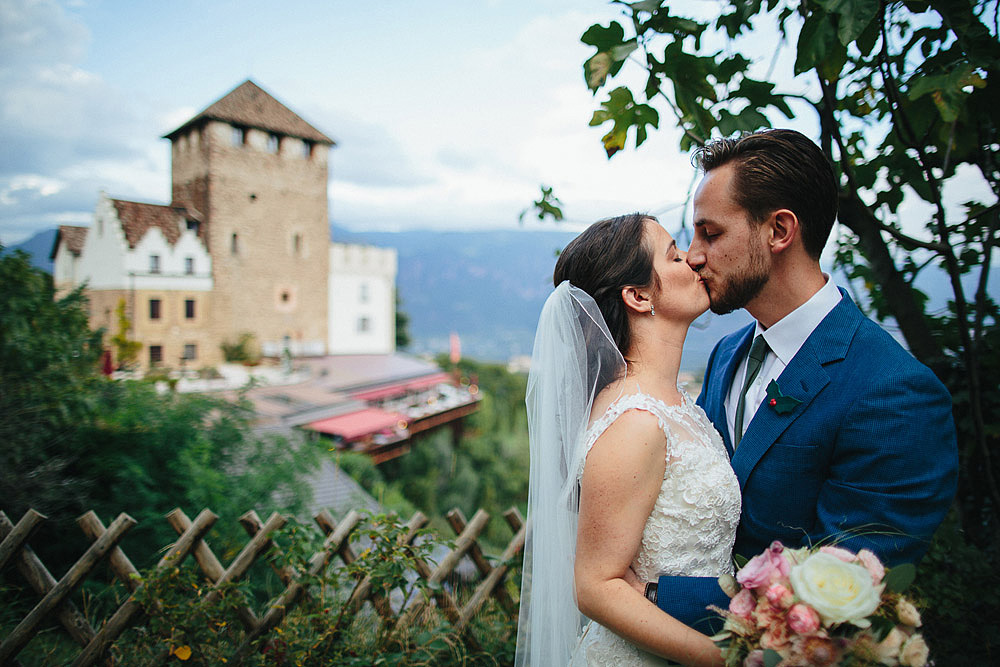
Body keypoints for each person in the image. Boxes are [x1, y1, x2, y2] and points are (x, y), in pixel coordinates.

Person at [642, 129, 959, 632]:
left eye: (711, 233)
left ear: (779, 231)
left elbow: (836, 595)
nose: (694, 255)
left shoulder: (895, 392)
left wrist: (646, 596)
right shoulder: (728, 354)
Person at [515, 213, 734, 666]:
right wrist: (719, 658)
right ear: (637, 296)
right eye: (674, 255)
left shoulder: (676, 404)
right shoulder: (635, 419)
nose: (694, 259)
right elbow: (596, 587)